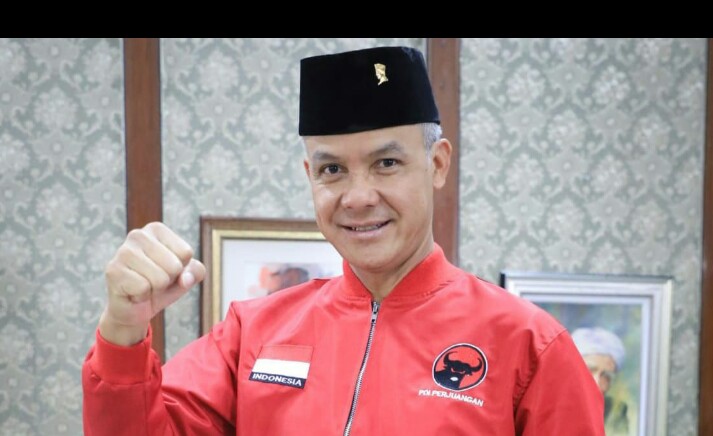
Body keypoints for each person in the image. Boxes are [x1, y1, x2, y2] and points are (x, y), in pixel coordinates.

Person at [82, 46, 605, 435]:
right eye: (332, 169)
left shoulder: (530, 346)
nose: (357, 197)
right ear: (309, 175)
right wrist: (124, 329)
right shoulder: (250, 332)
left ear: (437, 164)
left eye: (387, 163)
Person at [572, 327, 630, 434]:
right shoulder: (550, 408)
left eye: (606, 376)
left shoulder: (615, 412)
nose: (597, 382)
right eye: (589, 370)